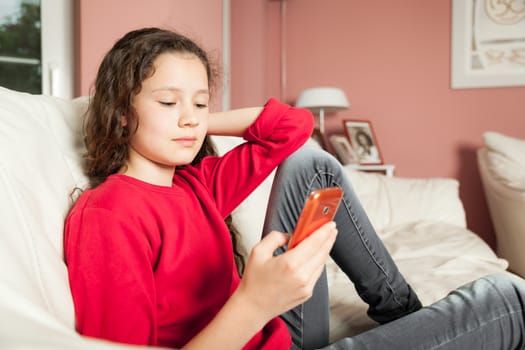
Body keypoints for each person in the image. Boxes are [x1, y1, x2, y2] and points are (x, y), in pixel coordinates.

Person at [64, 27, 525, 350]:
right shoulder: (111, 214)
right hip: (254, 323)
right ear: (122, 112)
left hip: (277, 332)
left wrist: (202, 124)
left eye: (201, 102)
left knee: (311, 163)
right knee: (507, 299)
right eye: (168, 102)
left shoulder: (196, 184)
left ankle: (402, 312)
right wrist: (253, 302)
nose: (190, 116)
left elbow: (292, 129)